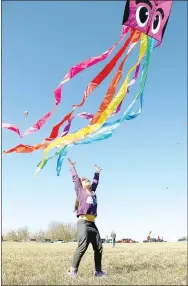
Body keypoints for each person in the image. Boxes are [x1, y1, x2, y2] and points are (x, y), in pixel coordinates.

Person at [66, 158, 105, 277]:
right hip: (83, 223)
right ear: (81, 184)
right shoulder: (80, 190)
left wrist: (97, 172)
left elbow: (95, 182)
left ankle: (98, 271)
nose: (86, 180)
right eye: (84, 180)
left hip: (92, 224)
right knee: (82, 246)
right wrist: (72, 167)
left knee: (98, 247)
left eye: (88, 179)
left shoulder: (92, 192)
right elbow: (75, 179)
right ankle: (72, 271)